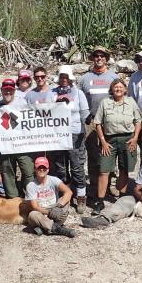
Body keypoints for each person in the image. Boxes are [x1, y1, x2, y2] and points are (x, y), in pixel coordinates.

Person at [92, 77, 142, 210]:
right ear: (112, 89)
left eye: (121, 87)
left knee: (124, 169)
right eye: (115, 87)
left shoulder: (131, 102)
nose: (118, 89)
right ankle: (100, 200)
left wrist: (136, 137)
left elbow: (138, 121)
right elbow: (97, 123)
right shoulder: (105, 102)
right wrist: (102, 141)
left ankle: (122, 197)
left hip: (128, 139)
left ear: (125, 89)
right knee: (104, 170)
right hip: (109, 140)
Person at [50, 65, 90, 213]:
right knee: (60, 167)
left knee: (76, 166)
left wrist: (88, 119)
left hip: (75, 133)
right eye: (62, 77)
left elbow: (84, 112)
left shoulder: (78, 93)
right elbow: (44, 109)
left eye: (66, 77)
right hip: (58, 134)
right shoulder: (51, 93)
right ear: (59, 79)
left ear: (70, 78)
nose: (64, 80)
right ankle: (65, 195)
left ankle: (81, 196)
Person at [78, 46, 116, 201]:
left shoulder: (113, 77)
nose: (99, 58)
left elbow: (120, 97)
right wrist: (85, 116)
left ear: (106, 58)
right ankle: (94, 186)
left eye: (102, 56)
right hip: (91, 121)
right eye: (96, 56)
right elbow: (79, 99)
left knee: (110, 152)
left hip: (109, 121)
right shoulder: (85, 79)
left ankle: (111, 184)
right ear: (92, 58)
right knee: (93, 154)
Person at [0, 78, 35, 198]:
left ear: (14, 91)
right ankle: (13, 198)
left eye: (10, 90)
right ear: (1, 90)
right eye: (5, 90)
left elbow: (33, 121)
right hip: (6, 146)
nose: (8, 92)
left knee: (28, 172)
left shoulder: (23, 103)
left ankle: (28, 195)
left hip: (23, 145)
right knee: (7, 172)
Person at [25, 156, 76, 238]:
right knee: (32, 215)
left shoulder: (54, 180)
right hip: (41, 212)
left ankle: (44, 227)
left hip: (55, 209)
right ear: (35, 169)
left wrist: (59, 205)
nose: (42, 170)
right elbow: (34, 206)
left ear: (48, 169)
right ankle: (58, 229)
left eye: (44, 168)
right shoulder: (31, 186)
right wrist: (48, 213)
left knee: (66, 202)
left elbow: (68, 192)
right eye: (39, 168)